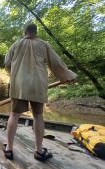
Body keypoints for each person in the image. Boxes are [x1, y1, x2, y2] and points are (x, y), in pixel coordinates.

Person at [4, 23, 77, 161]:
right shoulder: (43, 44)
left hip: (19, 85)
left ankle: (9, 149)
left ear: (24, 32)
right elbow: (56, 63)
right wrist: (67, 76)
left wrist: (14, 73)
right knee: (38, 116)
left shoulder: (16, 44)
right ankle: (38, 151)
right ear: (35, 32)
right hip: (38, 84)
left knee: (14, 115)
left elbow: (7, 63)